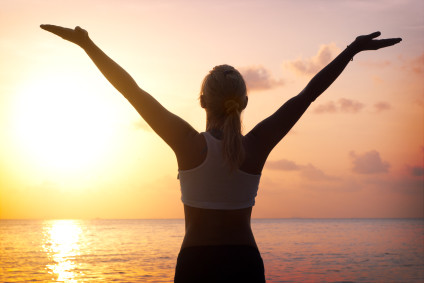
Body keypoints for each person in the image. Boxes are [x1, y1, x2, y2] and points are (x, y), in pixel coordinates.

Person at [40, 24, 401, 282]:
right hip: (244, 264)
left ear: (202, 102)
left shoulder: (187, 144)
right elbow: (308, 95)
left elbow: (131, 91)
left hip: (196, 264)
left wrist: (88, 46)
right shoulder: (256, 145)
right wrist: (350, 51)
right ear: (244, 102)